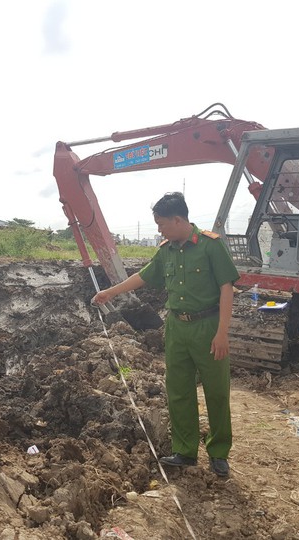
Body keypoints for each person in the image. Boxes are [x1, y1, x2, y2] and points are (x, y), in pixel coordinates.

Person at [92, 192, 239, 477]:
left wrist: (222, 332)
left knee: (216, 391)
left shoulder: (211, 246)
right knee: (179, 390)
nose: (159, 230)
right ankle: (185, 451)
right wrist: (110, 292)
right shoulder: (166, 250)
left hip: (208, 326)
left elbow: (226, 288)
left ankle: (219, 452)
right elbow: (143, 277)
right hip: (176, 327)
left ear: (178, 219)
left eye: (161, 224)